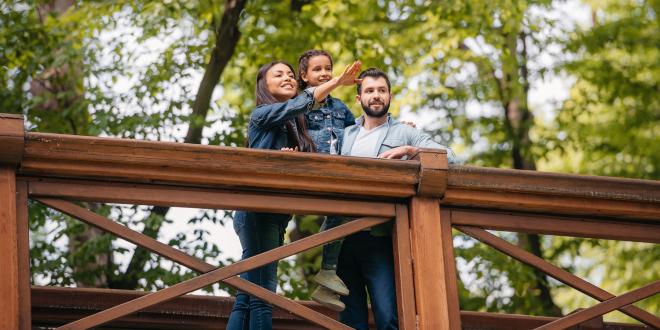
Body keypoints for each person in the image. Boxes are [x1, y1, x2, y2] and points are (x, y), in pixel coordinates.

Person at [226, 59, 361, 330]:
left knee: (248, 295)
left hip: (276, 215)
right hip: (257, 212)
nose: (288, 78)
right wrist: (335, 82)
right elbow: (297, 105)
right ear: (264, 84)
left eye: (290, 74)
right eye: (279, 75)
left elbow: (326, 138)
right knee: (264, 294)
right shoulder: (261, 114)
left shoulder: (293, 126)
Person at [337, 67, 457, 330]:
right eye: (369, 91)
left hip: (380, 237)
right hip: (342, 239)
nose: (376, 95)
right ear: (359, 99)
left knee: (388, 315)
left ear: (390, 96)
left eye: (382, 90)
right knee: (349, 321)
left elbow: (452, 157)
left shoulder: (405, 132)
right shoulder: (346, 136)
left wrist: (411, 150)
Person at [296, 49, 355, 312]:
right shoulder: (300, 102)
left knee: (344, 213)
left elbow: (359, 132)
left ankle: (327, 275)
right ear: (304, 76)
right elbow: (293, 124)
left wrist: (395, 126)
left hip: (339, 173)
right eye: (317, 69)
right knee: (341, 211)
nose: (324, 73)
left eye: (327, 68)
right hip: (313, 172)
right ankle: (327, 272)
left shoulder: (341, 107)